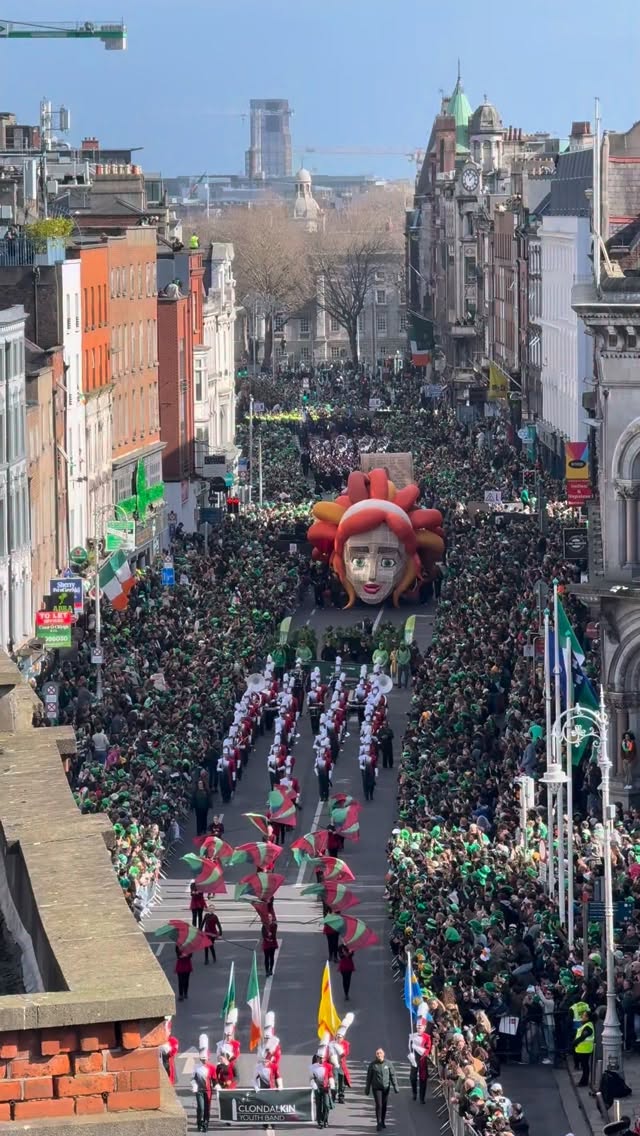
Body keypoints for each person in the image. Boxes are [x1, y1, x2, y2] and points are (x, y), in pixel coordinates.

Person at [365, 1047, 399, 1131]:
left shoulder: (388, 1064)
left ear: (383, 1054)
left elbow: (392, 1075)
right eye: (377, 1053)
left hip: (386, 1088)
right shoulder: (373, 1065)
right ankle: (379, 1122)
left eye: (380, 1053)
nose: (379, 1055)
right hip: (376, 1088)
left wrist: (395, 1087)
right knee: (379, 1105)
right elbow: (369, 1077)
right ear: (376, 1055)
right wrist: (367, 1088)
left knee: (384, 1105)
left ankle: (383, 1121)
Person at [310, 1051, 334, 1130]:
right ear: (317, 1058)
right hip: (317, 1088)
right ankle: (320, 1121)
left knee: (326, 1105)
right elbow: (311, 1078)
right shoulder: (313, 1067)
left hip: (325, 1087)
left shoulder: (328, 1066)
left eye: (322, 1058)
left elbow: (330, 1075)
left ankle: (325, 1120)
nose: (321, 1059)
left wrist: (331, 1083)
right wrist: (314, 1085)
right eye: (319, 1058)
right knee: (319, 1105)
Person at [574, 1009, 595, 1086]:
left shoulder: (588, 1026)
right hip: (583, 1049)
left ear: (587, 1018)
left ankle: (583, 1082)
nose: (582, 1017)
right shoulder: (587, 1025)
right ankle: (583, 1081)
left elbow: (582, 1037)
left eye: (583, 1015)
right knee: (584, 1066)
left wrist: (574, 1042)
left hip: (585, 1049)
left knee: (585, 1066)